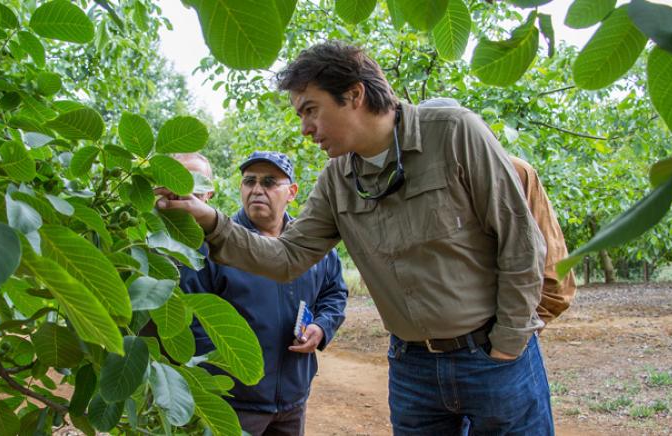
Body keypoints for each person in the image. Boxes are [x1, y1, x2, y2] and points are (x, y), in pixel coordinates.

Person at [156, 41, 552, 434]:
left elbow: (520, 240)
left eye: (311, 110)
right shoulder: (337, 179)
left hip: (493, 360)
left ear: (354, 94)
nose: (305, 128)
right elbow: (287, 258)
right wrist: (210, 220)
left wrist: (506, 345)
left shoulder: (454, 133)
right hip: (412, 367)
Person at [179, 151, 347, 436]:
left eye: (269, 182)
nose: (257, 189)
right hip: (235, 403)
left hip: (293, 399)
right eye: (249, 181)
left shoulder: (312, 246)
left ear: (291, 192)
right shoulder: (212, 244)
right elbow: (191, 317)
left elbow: (334, 294)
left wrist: (321, 326)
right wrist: (231, 369)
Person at [418, 98, 578, 328]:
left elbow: (553, 270)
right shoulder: (410, 182)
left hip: (500, 334)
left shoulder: (513, 171)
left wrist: (513, 332)